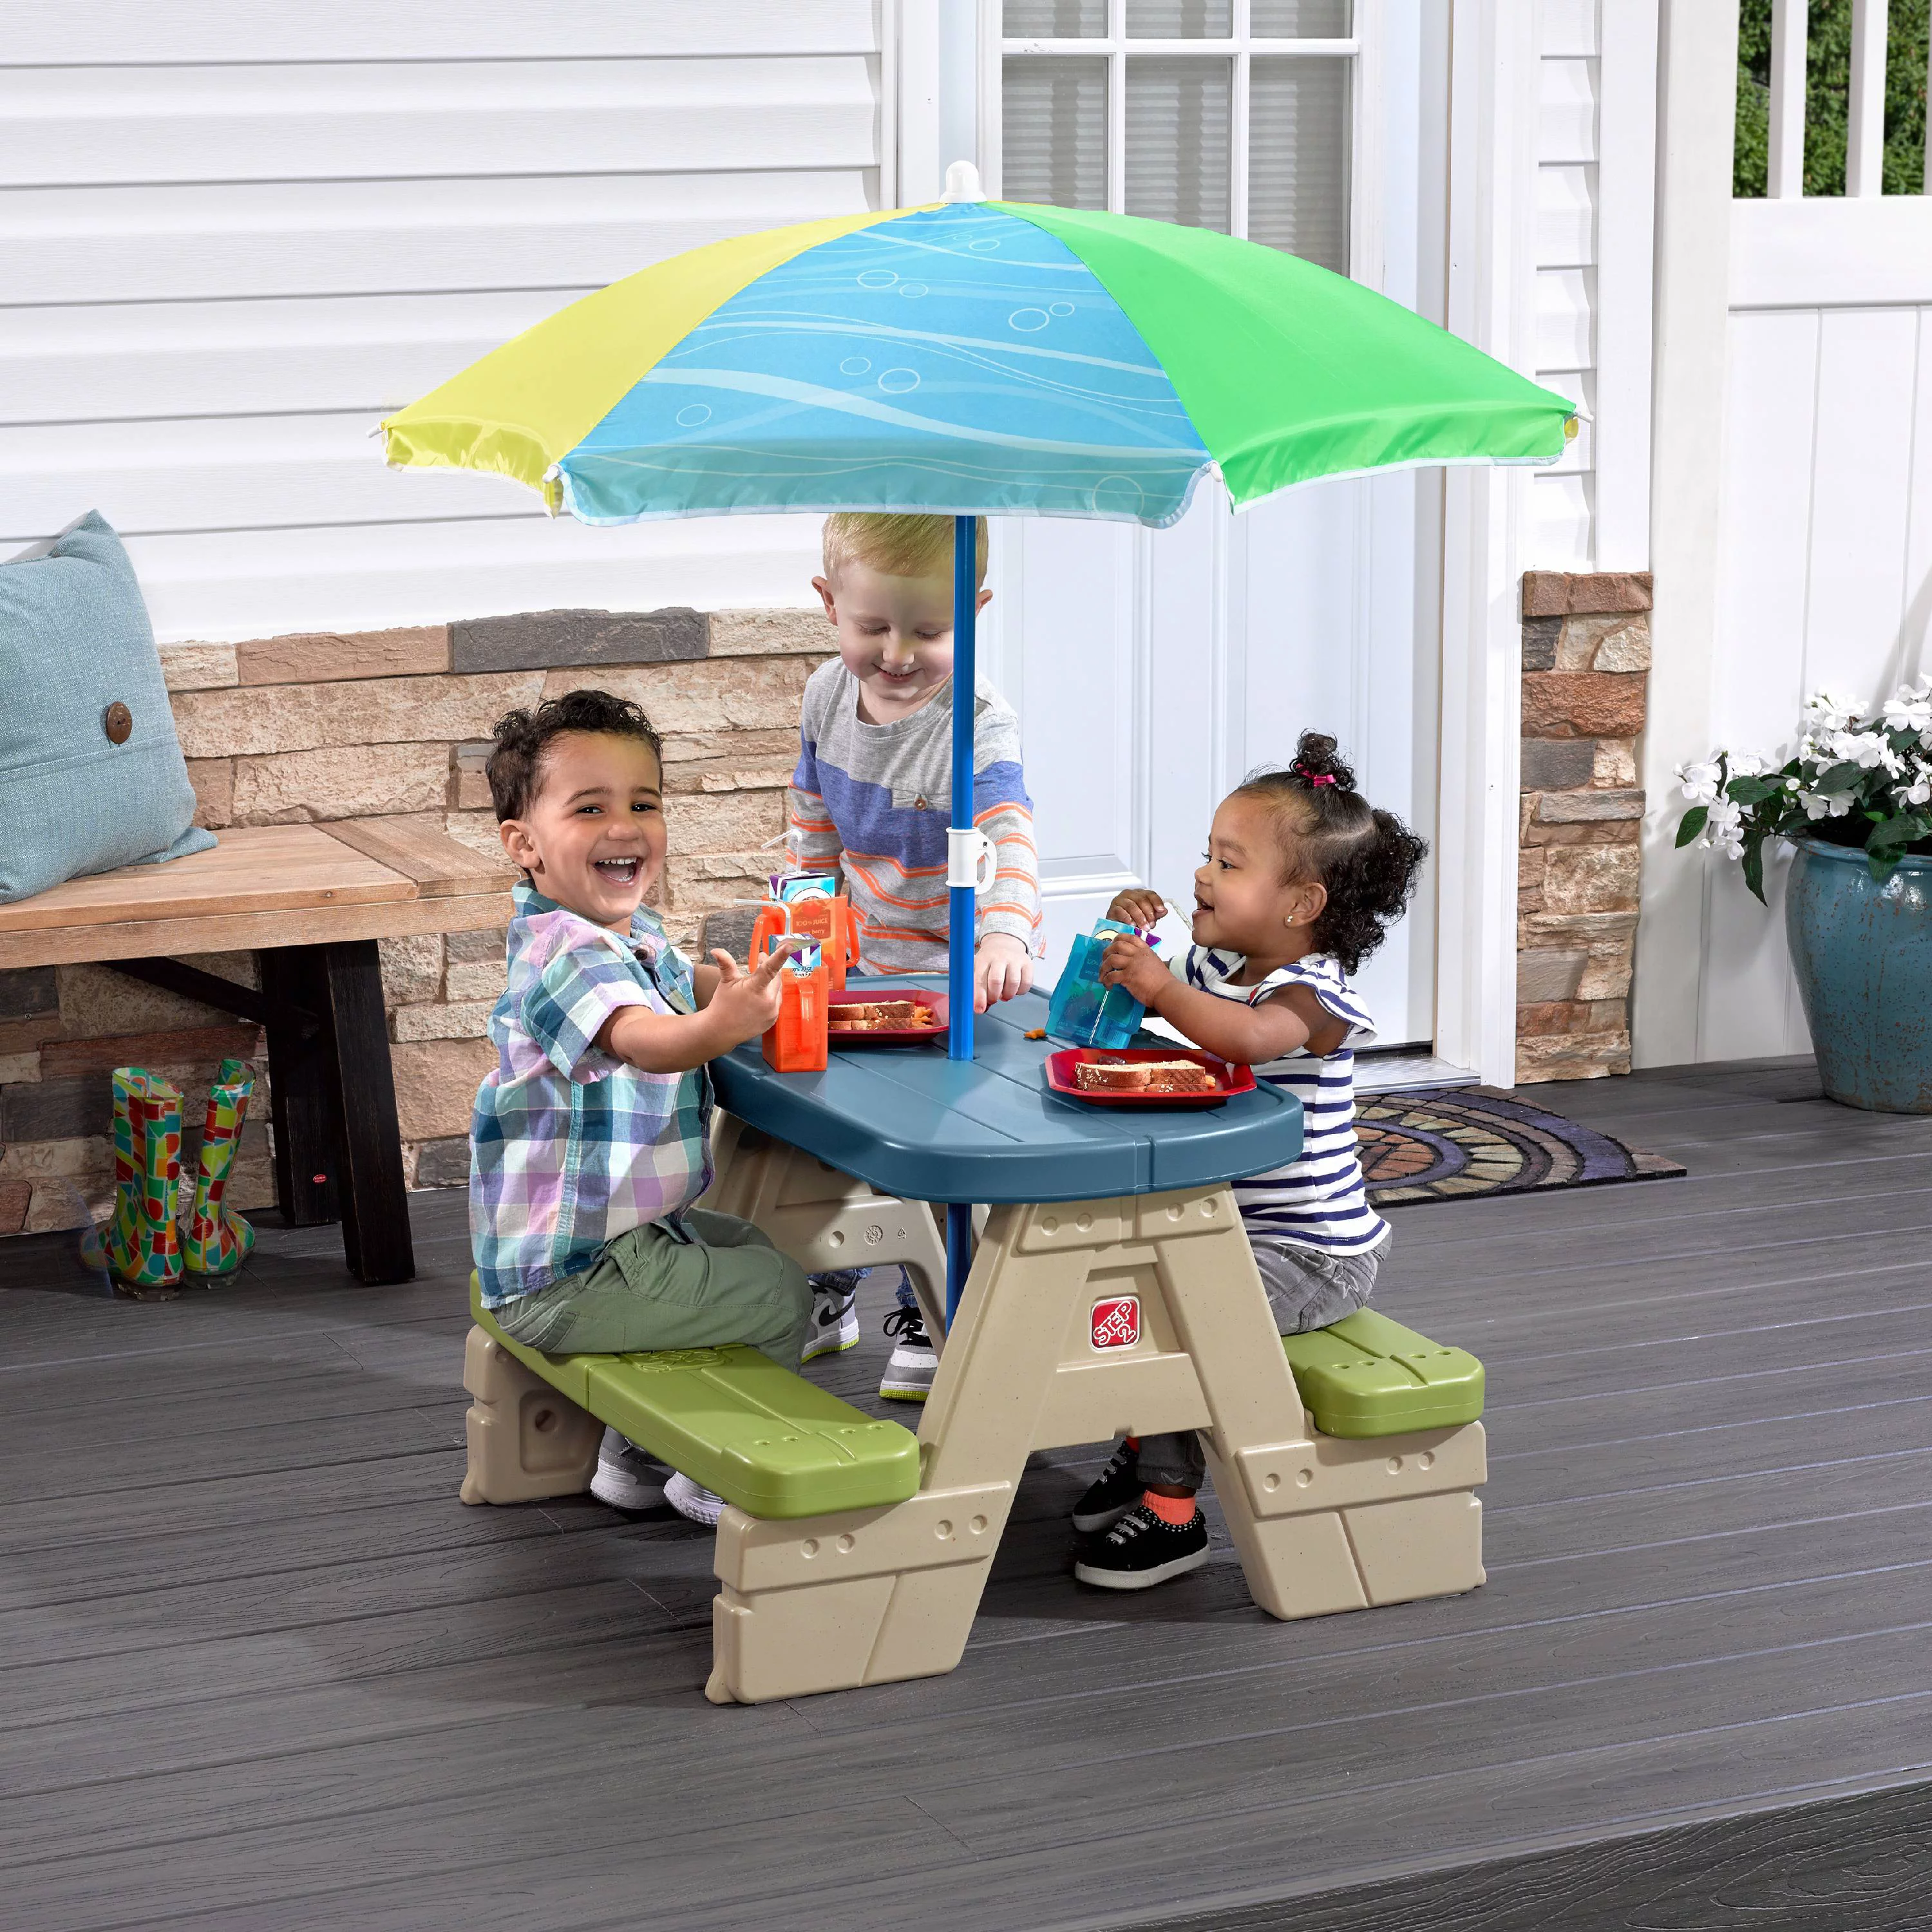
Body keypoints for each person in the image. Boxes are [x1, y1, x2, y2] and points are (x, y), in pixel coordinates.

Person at [1068, 731, 1428, 1589]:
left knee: (1169, 1324)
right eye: (1207, 856)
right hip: (1234, 1227)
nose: (1201, 876)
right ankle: (1144, 1437)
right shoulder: (1219, 963)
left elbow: (1250, 1040)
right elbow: (1184, 1006)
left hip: (1311, 1252)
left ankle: (1173, 1512)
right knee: (1121, 1284)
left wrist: (1161, 989)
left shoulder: (1314, 995)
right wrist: (1128, 941)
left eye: (1228, 865)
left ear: (1301, 904)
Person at [471, 688, 810, 1527]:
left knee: (742, 1241)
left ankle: (636, 1456)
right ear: (526, 844)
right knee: (776, 1289)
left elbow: (667, 987)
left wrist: (739, 988)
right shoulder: (566, 956)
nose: (625, 826)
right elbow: (641, 1037)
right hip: (572, 1271)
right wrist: (719, 1026)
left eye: (644, 803)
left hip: (588, 1243)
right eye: (590, 808)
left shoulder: (621, 932)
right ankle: (712, 1466)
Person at [788, 511, 1043, 1401]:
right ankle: (827, 1284)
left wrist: (1005, 931)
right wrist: (804, 918)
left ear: (975, 613)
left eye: (930, 632)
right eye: (874, 628)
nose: (898, 654)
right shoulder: (826, 698)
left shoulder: (977, 720)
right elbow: (814, 826)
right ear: (829, 606)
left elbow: (1009, 836)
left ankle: (928, 1303)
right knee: (823, 1131)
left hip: (952, 975)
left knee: (935, 1142)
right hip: (858, 963)